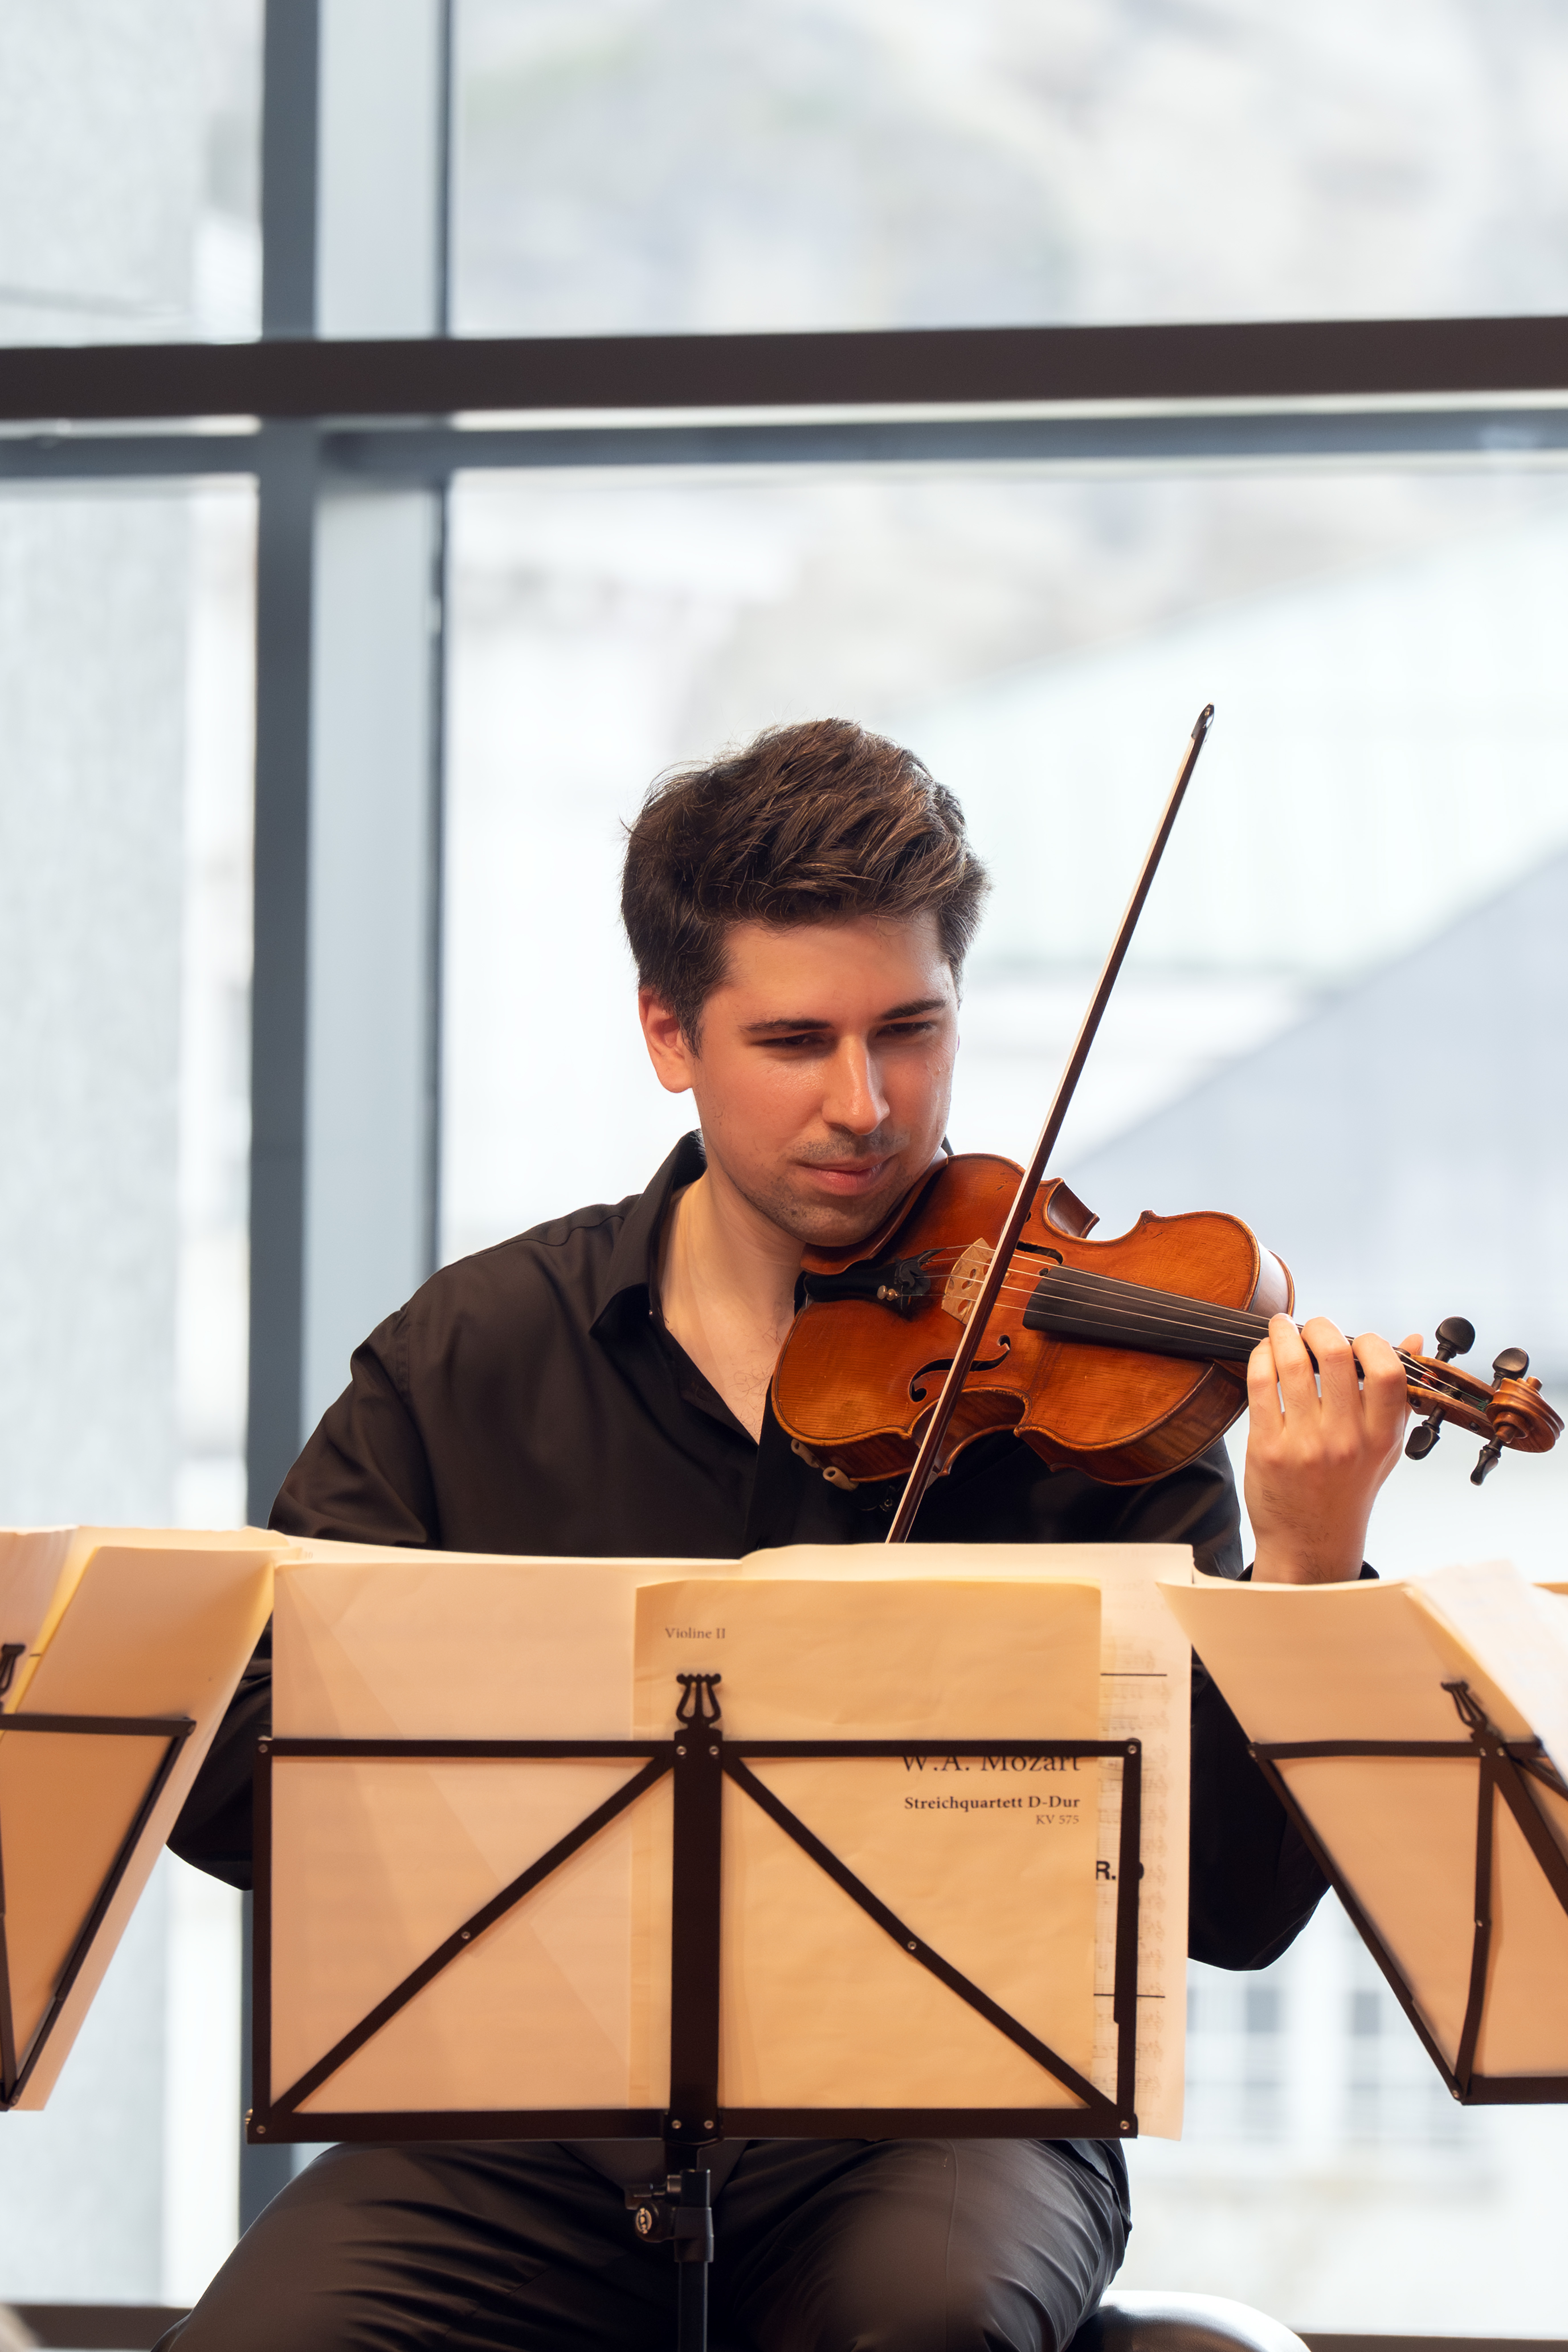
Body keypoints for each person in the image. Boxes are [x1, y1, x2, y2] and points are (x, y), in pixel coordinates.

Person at [162, 720, 1414, 2352]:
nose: (866, 1104)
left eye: (912, 1030)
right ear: (668, 1034)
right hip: (527, 2126)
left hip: (949, 2120)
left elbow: (1231, 1917)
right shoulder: (480, 1354)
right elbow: (237, 1751)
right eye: (795, 1040)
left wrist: (1310, 1561)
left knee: (916, 2322)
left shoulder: (1096, 1390)